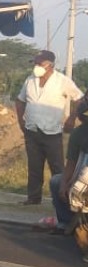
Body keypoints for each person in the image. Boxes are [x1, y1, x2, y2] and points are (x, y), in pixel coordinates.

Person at [16, 50, 83, 205]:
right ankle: (33, 197)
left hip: (52, 131)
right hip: (32, 129)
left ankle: (61, 198)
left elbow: (79, 100)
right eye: (35, 63)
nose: (36, 66)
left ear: (49, 65)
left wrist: (71, 119)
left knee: (57, 168)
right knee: (34, 166)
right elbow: (20, 101)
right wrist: (21, 121)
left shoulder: (62, 81)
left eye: (39, 63)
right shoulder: (30, 80)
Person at [48, 95, 88, 234]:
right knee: (56, 182)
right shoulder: (79, 133)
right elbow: (71, 162)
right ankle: (66, 223)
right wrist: (64, 184)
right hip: (83, 177)